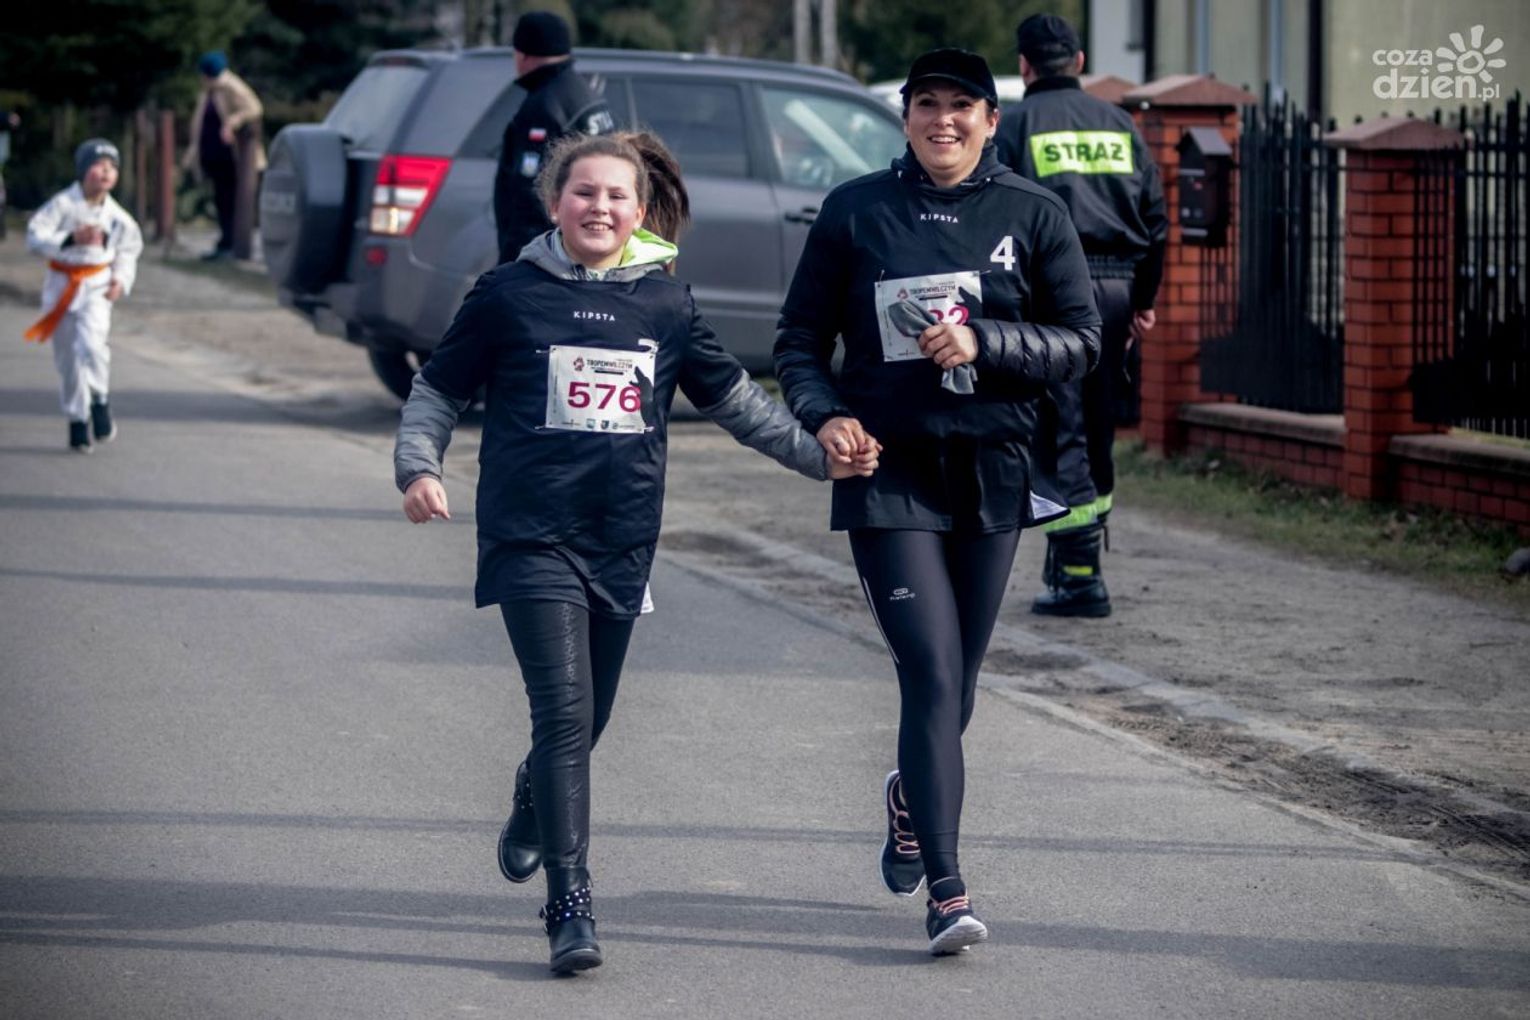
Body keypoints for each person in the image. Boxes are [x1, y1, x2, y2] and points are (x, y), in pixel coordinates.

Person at [394, 130, 876, 975]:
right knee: (563, 714)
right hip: (529, 535)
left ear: (640, 212)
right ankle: (570, 906)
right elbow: (438, 387)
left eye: (616, 196)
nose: (599, 207)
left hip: (620, 540)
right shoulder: (508, 294)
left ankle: (533, 798)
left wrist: (818, 458)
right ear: (555, 204)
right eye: (584, 193)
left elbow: (738, 404)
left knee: (590, 720)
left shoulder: (666, 304)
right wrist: (418, 467)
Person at [774, 48, 1101, 955]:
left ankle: (908, 798)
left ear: (992, 121)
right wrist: (827, 415)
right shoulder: (856, 210)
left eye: (963, 106)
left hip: (993, 468)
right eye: (927, 104)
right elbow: (798, 340)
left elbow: (1081, 341)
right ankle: (948, 893)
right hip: (888, 471)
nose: (943, 120)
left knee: (957, 685)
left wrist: (985, 341)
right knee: (928, 669)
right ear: (905, 116)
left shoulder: (1034, 213)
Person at [995, 13, 1169, 617]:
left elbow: (999, 217)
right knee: (1096, 427)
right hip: (1116, 290)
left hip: (1050, 292)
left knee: (1060, 429)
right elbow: (1156, 220)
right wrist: (1142, 300)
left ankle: (1077, 576)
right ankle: (1079, 557)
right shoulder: (1119, 123)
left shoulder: (1015, 126)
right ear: (1080, 61)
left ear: (1024, 66)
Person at [24, 139, 144, 452]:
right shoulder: (63, 205)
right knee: (68, 359)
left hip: (96, 286)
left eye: (111, 167)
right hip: (61, 284)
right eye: (98, 165)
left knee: (92, 345)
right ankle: (77, 420)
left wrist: (120, 279)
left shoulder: (118, 218)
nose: (105, 172)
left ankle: (99, 398)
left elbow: (129, 250)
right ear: (82, 170)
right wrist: (70, 238)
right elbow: (34, 236)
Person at [492, 11, 615, 265]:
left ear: (523, 54)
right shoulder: (586, 95)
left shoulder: (543, 106)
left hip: (547, 257)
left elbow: (530, 196)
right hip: (584, 246)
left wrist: (517, 263)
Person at [181, 51, 266, 260]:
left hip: (233, 157)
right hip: (216, 156)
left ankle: (232, 243)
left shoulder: (230, 86)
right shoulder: (209, 90)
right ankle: (225, 241)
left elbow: (254, 108)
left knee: (232, 199)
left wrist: (232, 123)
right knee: (221, 199)